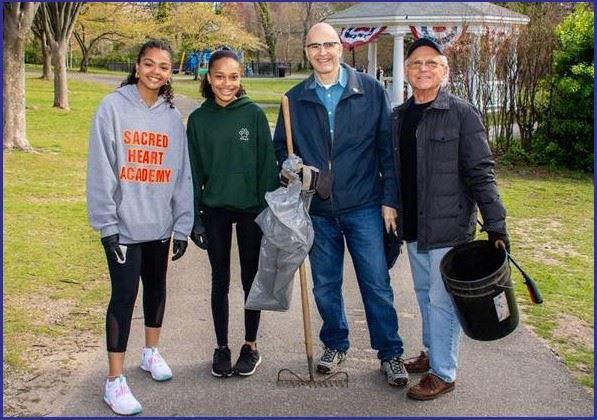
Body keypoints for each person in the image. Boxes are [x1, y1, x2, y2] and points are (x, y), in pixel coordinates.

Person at [273, 22, 409, 387]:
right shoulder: (294, 99)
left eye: (329, 44)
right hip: (318, 210)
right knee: (324, 285)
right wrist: (288, 169)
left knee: (376, 284)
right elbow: (281, 154)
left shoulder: (370, 90)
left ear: (341, 47)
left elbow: (387, 152)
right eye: (315, 46)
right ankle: (334, 343)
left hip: (364, 204)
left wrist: (390, 201)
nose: (322, 52)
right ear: (306, 51)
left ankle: (390, 352)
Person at [392, 37, 510, 400]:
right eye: (416, 64)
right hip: (413, 226)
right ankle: (432, 353)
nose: (423, 69)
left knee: (443, 300)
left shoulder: (462, 113)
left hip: (449, 227)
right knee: (425, 295)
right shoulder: (399, 116)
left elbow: (481, 172)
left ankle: (443, 372)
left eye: (431, 63)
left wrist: (496, 224)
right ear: (407, 71)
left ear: (444, 70)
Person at [86, 39, 193, 416]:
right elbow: (101, 168)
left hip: (159, 225)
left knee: (157, 289)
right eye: (149, 64)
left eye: (163, 66)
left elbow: (182, 175)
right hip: (124, 227)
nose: (156, 72)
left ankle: (150, 353)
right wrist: (107, 225)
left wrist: (182, 225)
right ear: (137, 65)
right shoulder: (113, 108)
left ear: (170, 73)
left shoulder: (170, 116)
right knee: (124, 295)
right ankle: (114, 381)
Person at [186, 50, 279, 378]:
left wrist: (269, 214)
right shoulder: (198, 120)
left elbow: (268, 166)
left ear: (241, 79)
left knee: (250, 278)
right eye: (220, 76)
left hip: (251, 209)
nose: (227, 83)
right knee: (219, 278)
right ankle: (222, 345)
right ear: (208, 78)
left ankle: (250, 345)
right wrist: (195, 216)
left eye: (234, 76)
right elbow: (194, 171)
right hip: (215, 209)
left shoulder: (252, 114)